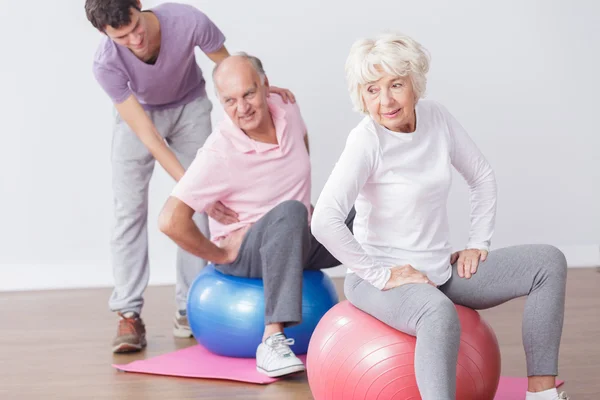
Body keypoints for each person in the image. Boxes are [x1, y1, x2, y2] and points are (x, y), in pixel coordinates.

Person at [311, 32, 569, 400]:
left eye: (395, 85)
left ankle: (542, 394)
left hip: (439, 271)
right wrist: (381, 275)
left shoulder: (437, 118)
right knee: (437, 314)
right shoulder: (366, 140)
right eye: (372, 89)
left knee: (548, 263)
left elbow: (481, 175)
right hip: (377, 281)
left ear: (414, 83)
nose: (385, 100)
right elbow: (325, 220)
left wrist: (477, 243)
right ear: (361, 96)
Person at [85, 0, 295, 353]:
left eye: (136, 26)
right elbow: (149, 137)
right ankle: (128, 313)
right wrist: (193, 188)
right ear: (106, 34)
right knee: (128, 211)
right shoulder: (106, 63)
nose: (135, 40)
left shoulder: (186, 20)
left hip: (189, 108)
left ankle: (189, 307)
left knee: (200, 210)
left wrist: (259, 85)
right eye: (121, 37)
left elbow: (229, 66)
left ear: (139, 4)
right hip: (141, 118)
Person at [158, 53, 353, 378]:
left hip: (297, 238)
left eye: (249, 94)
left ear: (265, 85)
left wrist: (306, 202)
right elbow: (170, 220)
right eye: (230, 100)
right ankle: (272, 340)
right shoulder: (219, 152)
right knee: (289, 212)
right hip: (247, 253)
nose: (242, 108)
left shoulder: (286, 106)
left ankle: (400, 293)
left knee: (361, 202)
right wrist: (219, 253)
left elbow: (300, 142)